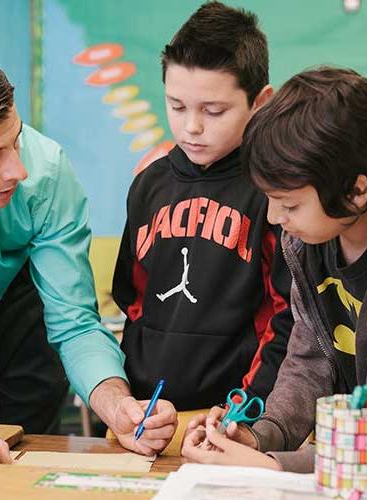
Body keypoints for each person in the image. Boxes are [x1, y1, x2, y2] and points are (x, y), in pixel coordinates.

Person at [0, 37, 176, 462]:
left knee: (24, 447)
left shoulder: (45, 174)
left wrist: (116, 405)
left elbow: (74, 323)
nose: (17, 170)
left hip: (19, 305)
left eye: (16, 140)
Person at [181, 67, 367, 473]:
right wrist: (259, 436)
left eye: (289, 204)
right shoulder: (309, 244)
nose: (275, 217)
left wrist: (277, 465)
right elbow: (309, 359)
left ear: (357, 189)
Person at [112, 1, 293, 450]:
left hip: (235, 421)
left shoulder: (272, 194)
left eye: (213, 111)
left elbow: (287, 316)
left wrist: (244, 410)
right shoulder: (149, 183)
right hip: (148, 416)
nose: (191, 127)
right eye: (176, 106)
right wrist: (129, 406)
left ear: (261, 102)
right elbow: (132, 301)